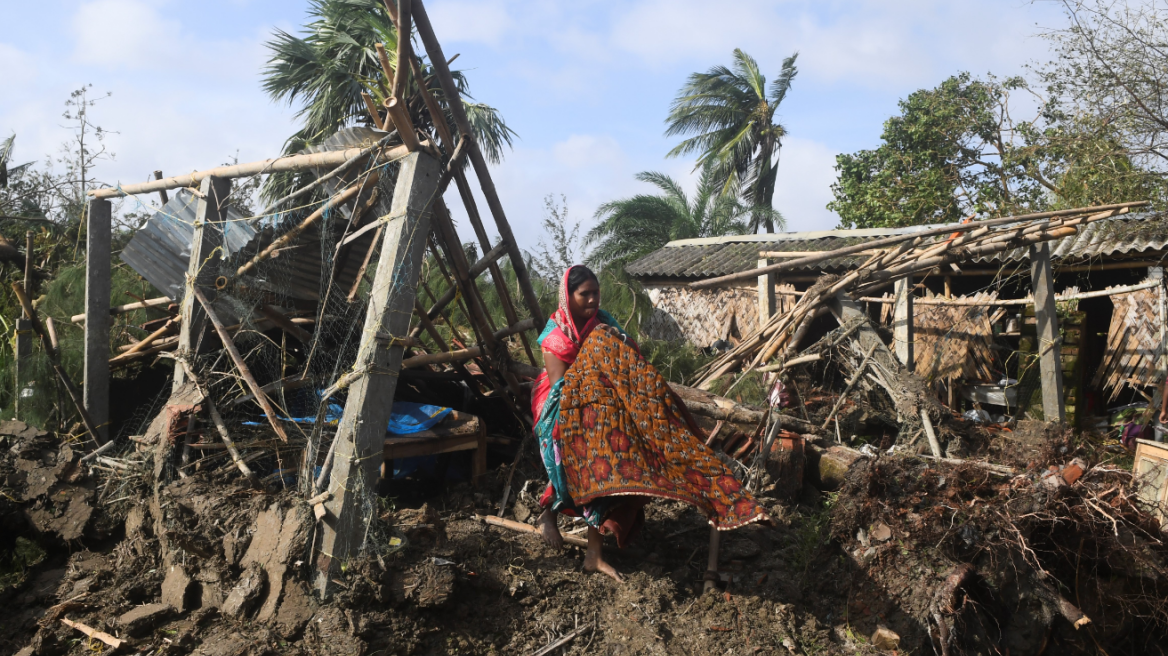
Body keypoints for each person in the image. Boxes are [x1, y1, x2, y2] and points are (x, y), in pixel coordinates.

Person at [531, 265, 768, 582]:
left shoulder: (604, 325)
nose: (591, 299)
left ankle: (592, 552)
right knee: (583, 467)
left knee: (610, 465)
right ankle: (551, 515)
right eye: (583, 294)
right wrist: (595, 372)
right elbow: (562, 390)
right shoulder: (555, 338)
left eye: (595, 292)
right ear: (568, 296)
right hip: (562, 407)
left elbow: (629, 362)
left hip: (603, 403)